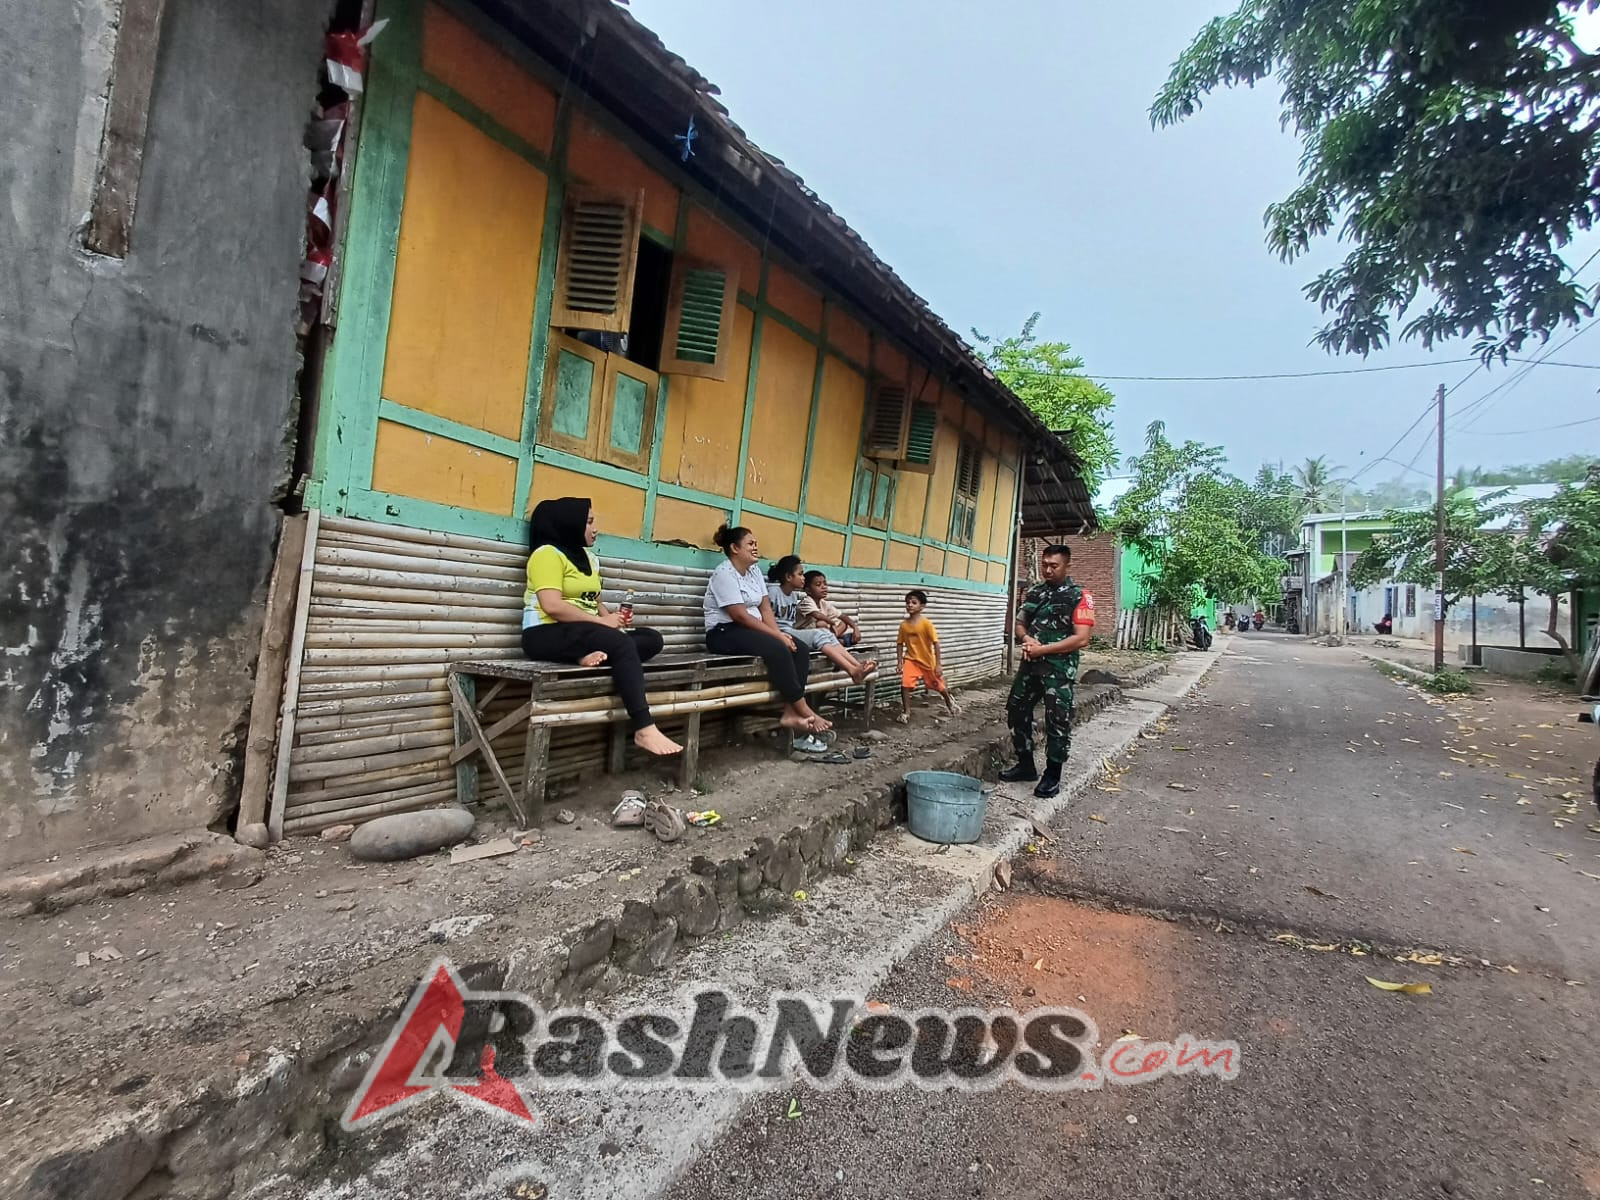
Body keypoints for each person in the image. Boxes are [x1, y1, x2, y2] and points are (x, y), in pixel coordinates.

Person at [521, 497, 682, 757]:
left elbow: (595, 604)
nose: (595, 528)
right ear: (569, 524)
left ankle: (586, 655)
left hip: (583, 631)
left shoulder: (590, 559)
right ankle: (643, 727)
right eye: (589, 521)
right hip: (545, 632)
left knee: (651, 638)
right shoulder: (547, 554)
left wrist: (614, 620)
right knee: (622, 645)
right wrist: (602, 624)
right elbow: (552, 606)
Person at [704, 525, 832, 734]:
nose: (755, 548)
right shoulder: (724, 573)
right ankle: (804, 709)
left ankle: (790, 712)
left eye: (755, 544)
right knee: (778, 647)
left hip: (751, 630)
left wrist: (781, 634)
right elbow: (739, 616)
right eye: (750, 544)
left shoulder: (753, 571)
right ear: (735, 548)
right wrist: (777, 636)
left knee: (797, 648)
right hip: (723, 633)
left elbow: (765, 608)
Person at [1000, 543, 1094, 798]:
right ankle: (1025, 765)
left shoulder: (1080, 595)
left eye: (1054, 565)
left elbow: (1081, 638)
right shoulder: (1036, 592)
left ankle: (1052, 775)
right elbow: (1020, 624)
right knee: (1017, 710)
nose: (1048, 570)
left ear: (1067, 566)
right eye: (1045, 565)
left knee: (1057, 720)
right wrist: (1027, 640)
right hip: (1031, 665)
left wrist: (1045, 649)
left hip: (1058, 670)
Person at [767, 556, 878, 683]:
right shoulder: (773, 592)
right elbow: (764, 618)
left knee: (825, 633)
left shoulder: (793, 596)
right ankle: (852, 671)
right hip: (778, 633)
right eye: (800, 574)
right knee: (818, 633)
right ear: (788, 577)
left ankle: (857, 666)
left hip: (790, 632)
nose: (803, 578)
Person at [897, 590, 959, 722]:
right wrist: (899, 662)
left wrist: (938, 664)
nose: (910, 605)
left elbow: (936, 644)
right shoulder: (904, 625)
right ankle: (906, 712)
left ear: (922, 606)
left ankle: (949, 702)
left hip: (926, 661)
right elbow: (900, 644)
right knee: (905, 685)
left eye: (914, 602)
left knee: (938, 685)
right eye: (908, 602)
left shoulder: (926, 624)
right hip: (911, 659)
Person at [796, 570, 862, 649]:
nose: (824, 587)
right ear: (808, 590)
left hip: (821, 634)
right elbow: (817, 615)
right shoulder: (806, 602)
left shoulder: (823, 603)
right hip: (804, 637)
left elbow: (842, 616)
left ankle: (835, 640)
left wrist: (855, 627)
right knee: (822, 623)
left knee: (843, 623)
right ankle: (839, 641)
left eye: (825, 583)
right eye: (818, 585)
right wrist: (832, 623)